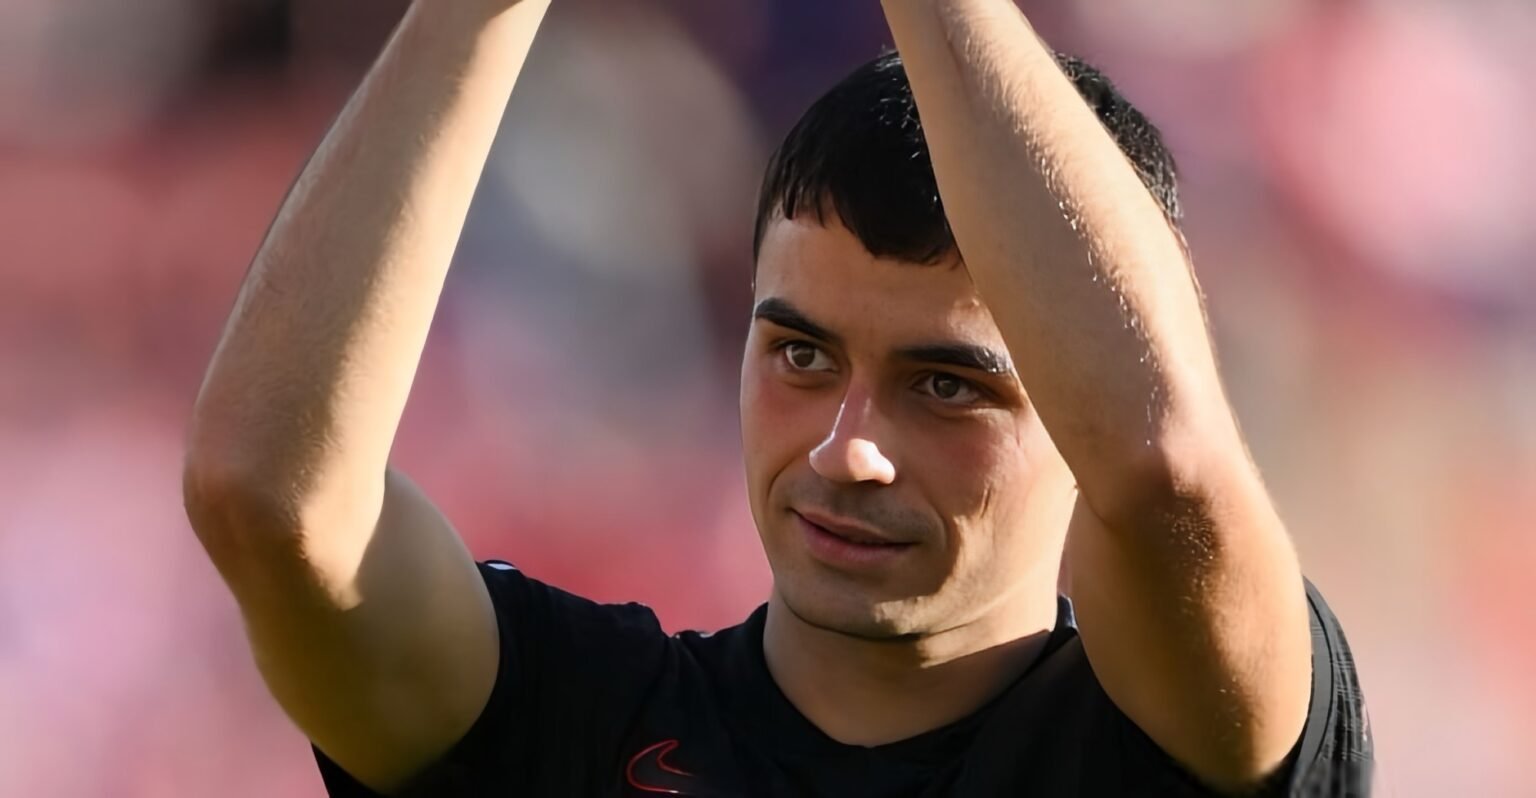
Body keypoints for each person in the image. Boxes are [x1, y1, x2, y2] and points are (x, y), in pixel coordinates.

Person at [182, 0, 1373, 795]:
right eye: (802, 356)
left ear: (1070, 408)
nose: (849, 450)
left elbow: (1165, 469)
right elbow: (271, 499)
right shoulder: (574, 719)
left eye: (948, 385)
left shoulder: (1161, 742)